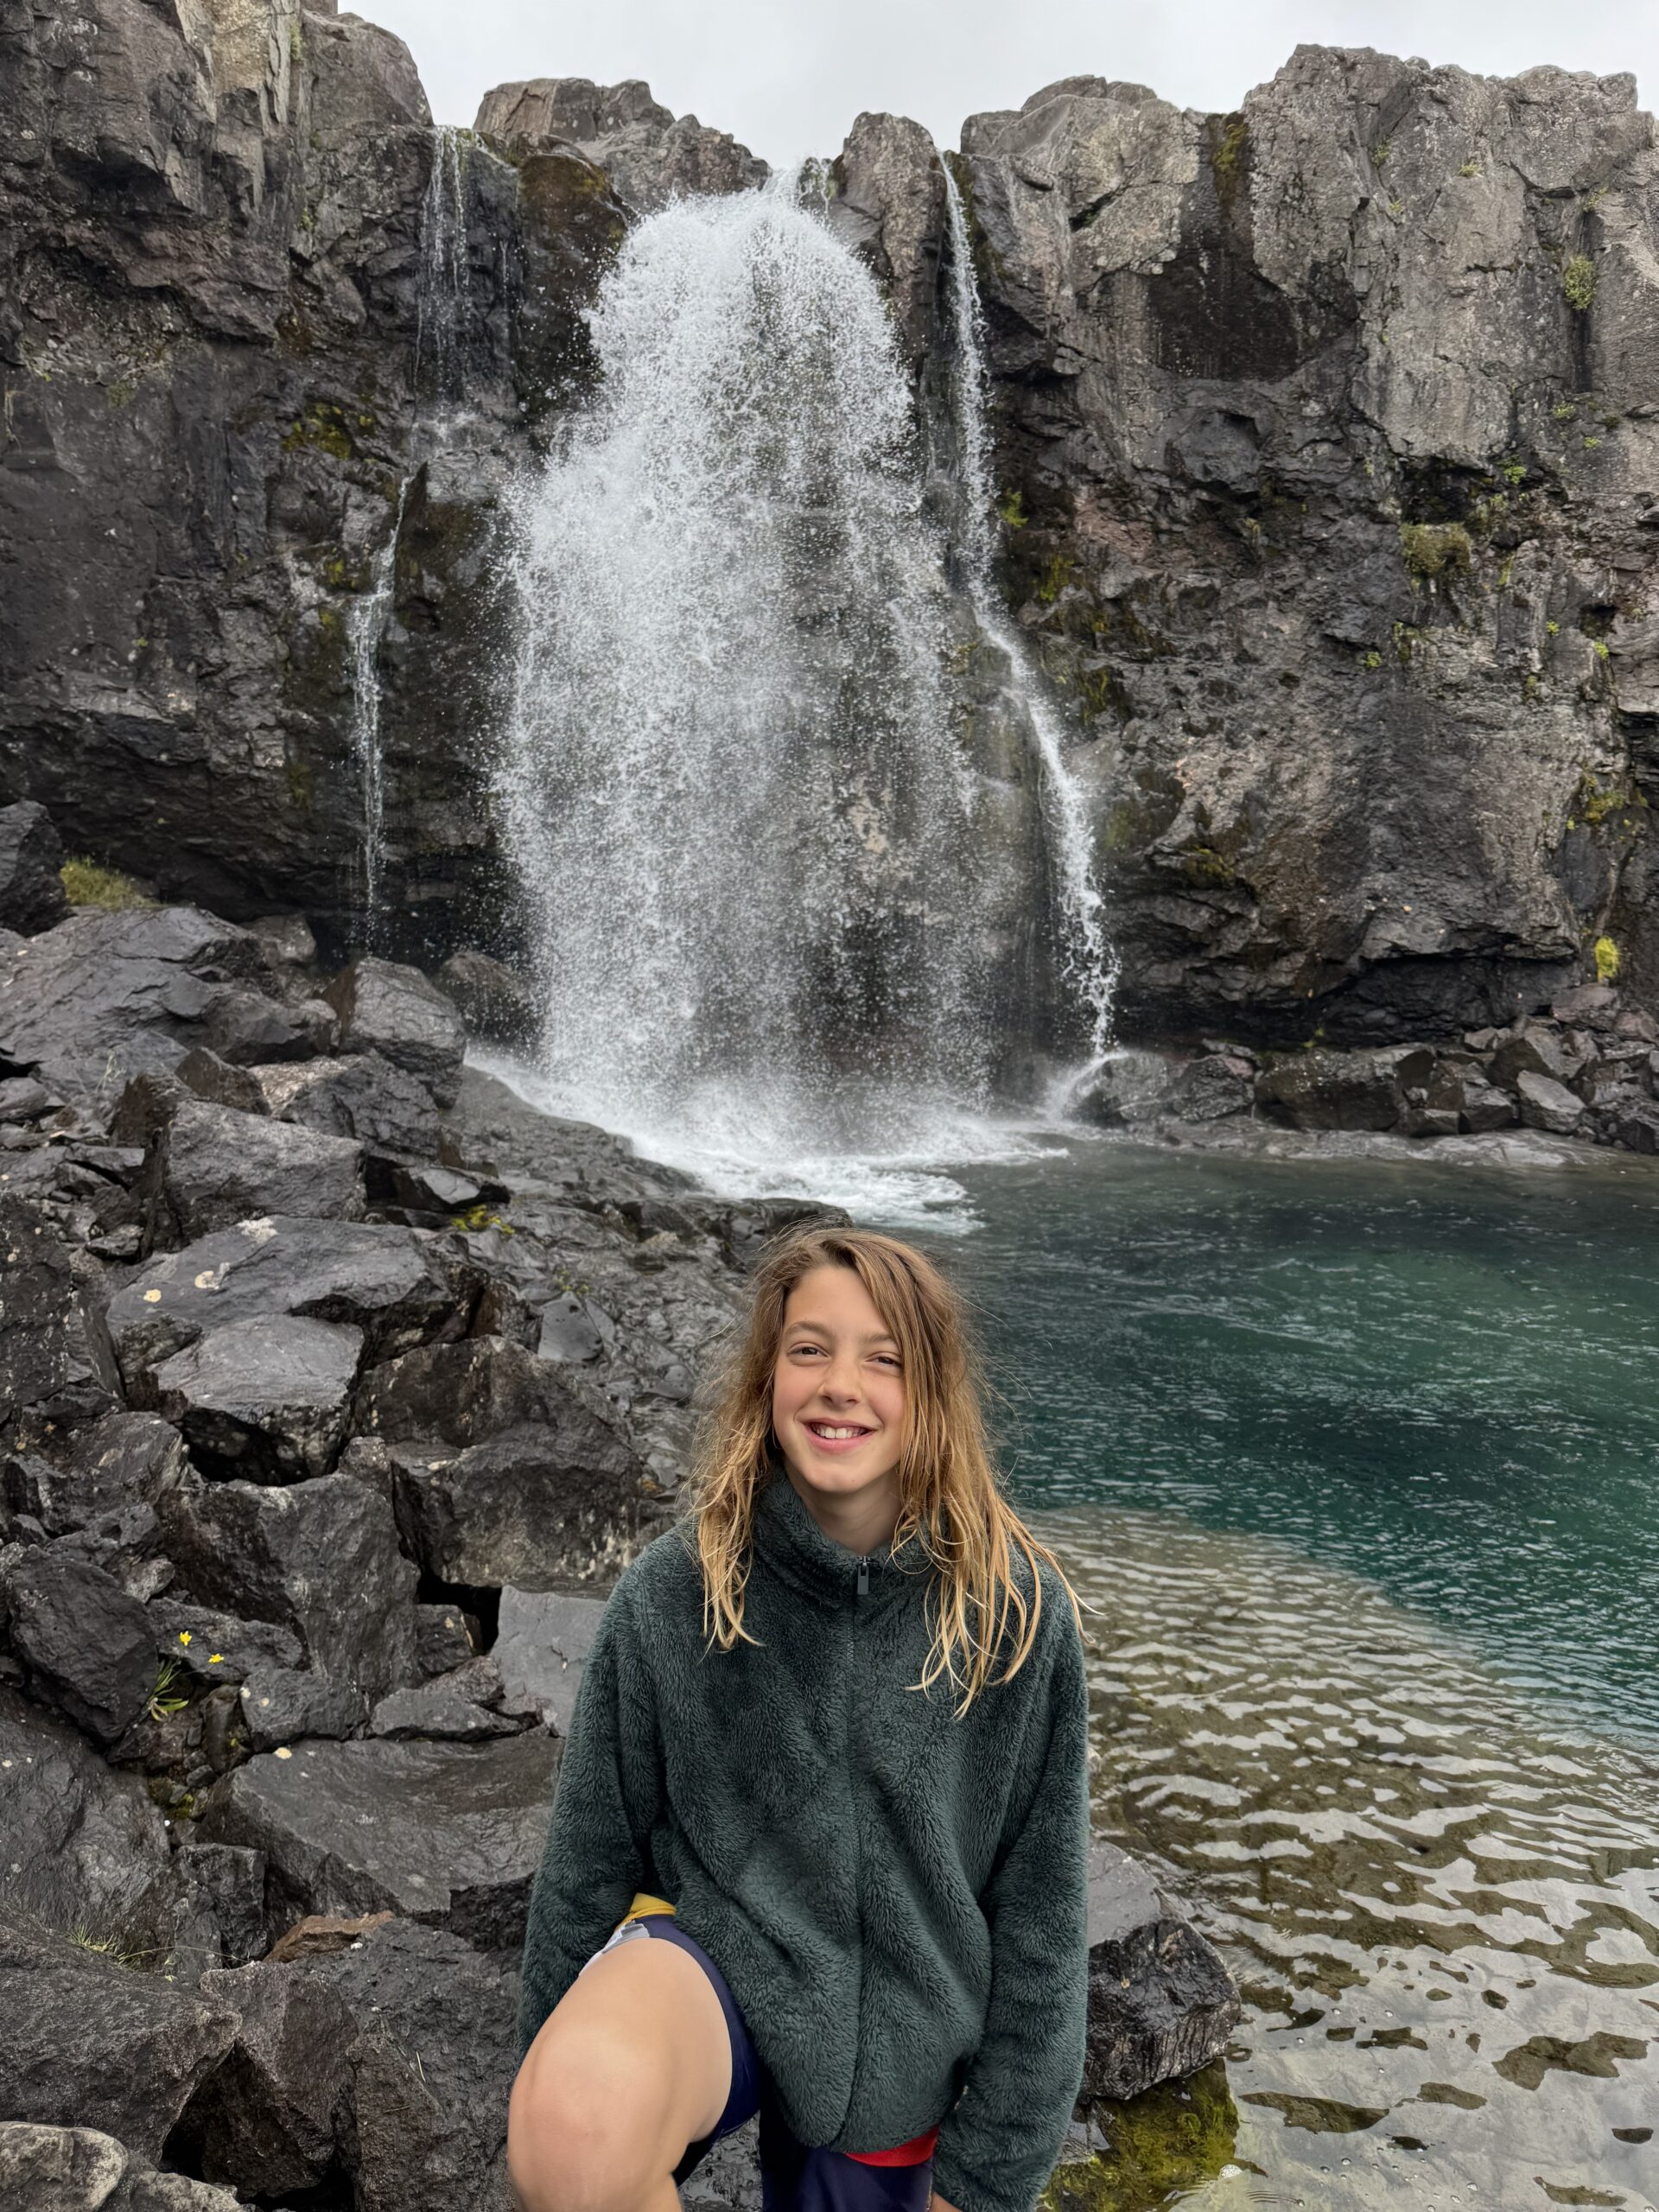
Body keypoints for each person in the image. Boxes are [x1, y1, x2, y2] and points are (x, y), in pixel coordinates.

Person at [508, 1224, 1093, 2212]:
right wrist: (549, 2131)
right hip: (722, 1972)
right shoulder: (675, 1593)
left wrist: (985, 2180)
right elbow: (584, 1865)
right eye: (810, 1348)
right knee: (576, 2127)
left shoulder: (1017, 1616)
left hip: (912, 2046)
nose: (839, 1385)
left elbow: (1045, 1925)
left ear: (933, 1392)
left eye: (883, 1359)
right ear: (767, 1376)